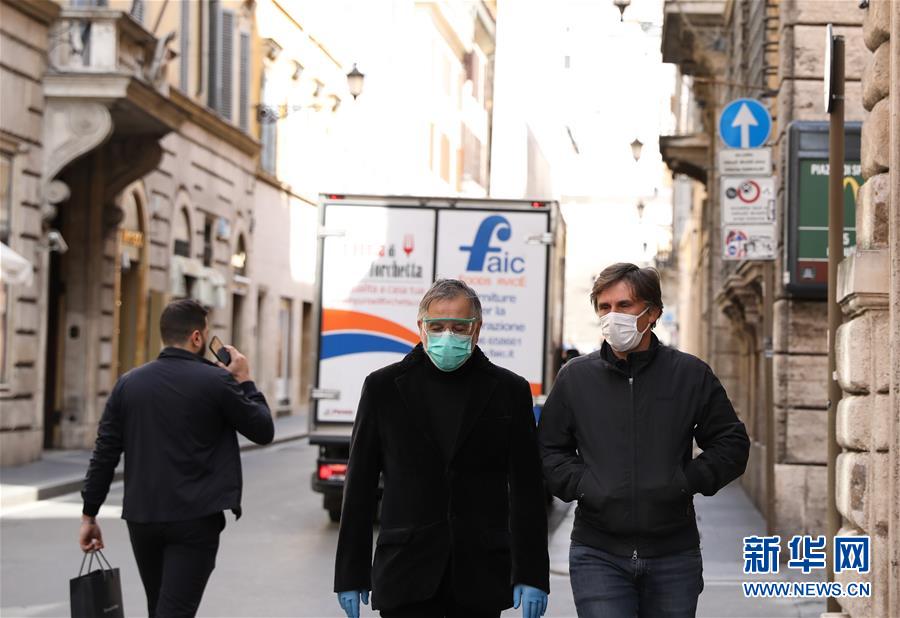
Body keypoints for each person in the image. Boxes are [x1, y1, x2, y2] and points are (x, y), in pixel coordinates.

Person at [538, 263, 750, 618]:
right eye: (604, 307)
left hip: (674, 554)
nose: (613, 316)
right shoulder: (575, 378)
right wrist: (585, 485)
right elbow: (549, 449)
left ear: (652, 313)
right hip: (597, 553)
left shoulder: (689, 374)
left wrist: (684, 481)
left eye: (624, 305)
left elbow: (731, 444)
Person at [334, 279, 550, 618]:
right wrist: (351, 573)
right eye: (436, 326)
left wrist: (532, 573)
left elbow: (527, 489)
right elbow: (359, 485)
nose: (447, 335)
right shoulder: (382, 388)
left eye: (459, 327)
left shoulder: (510, 390)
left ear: (477, 329)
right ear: (421, 326)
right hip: (405, 574)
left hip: (480, 577)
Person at [78, 299, 274, 617]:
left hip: (143, 518)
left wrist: (89, 515)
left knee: (160, 608)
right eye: (205, 333)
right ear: (196, 337)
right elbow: (263, 429)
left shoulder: (128, 384)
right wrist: (245, 379)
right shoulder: (217, 381)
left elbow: (105, 453)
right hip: (195, 520)